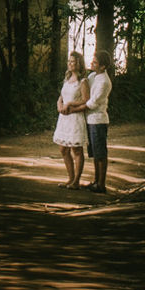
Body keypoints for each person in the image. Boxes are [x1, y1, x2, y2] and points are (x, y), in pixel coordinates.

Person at [52, 51, 89, 188]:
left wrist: (70, 105)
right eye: (69, 61)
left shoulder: (83, 81)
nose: (70, 63)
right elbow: (61, 96)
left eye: (73, 61)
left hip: (75, 117)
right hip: (64, 118)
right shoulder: (67, 80)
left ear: (79, 64)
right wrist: (60, 105)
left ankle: (76, 182)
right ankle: (70, 178)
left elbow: (86, 101)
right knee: (63, 149)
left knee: (77, 150)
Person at [81, 53, 113, 194]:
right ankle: (96, 181)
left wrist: (73, 108)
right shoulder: (93, 76)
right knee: (94, 152)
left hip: (98, 120)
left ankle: (101, 184)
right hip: (89, 120)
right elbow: (84, 86)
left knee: (100, 153)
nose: (92, 64)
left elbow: (93, 103)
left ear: (103, 66)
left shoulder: (104, 82)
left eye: (95, 62)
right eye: (92, 61)